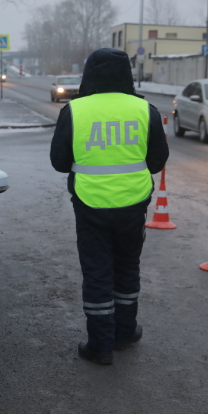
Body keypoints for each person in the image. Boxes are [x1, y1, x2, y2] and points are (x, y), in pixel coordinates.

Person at [50, 48, 169, 365]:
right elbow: (157, 162)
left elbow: (59, 163)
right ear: (127, 76)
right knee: (127, 268)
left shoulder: (74, 110)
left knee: (97, 273)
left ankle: (101, 346)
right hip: (133, 205)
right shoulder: (146, 110)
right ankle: (124, 332)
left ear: (88, 76)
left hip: (90, 206)